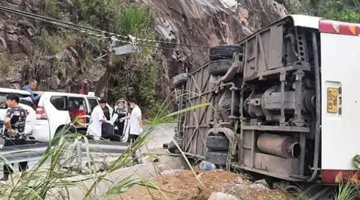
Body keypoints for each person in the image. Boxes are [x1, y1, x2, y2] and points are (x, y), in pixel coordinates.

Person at [2, 94, 27, 182]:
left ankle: (5, 177)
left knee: (8, 155)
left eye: (7, 100)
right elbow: (27, 114)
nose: (6, 102)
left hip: (12, 138)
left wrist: (9, 129)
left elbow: (6, 121)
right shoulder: (23, 110)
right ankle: (23, 176)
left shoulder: (11, 110)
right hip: (22, 136)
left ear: (13, 101)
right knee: (23, 156)